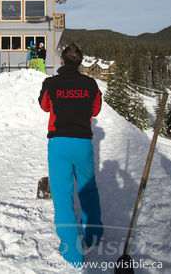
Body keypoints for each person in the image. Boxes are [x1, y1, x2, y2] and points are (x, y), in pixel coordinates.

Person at [38, 42, 103, 267]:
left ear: (63, 61)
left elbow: (44, 106)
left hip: (59, 143)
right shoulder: (91, 84)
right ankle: (94, 235)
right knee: (87, 188)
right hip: (83, 142)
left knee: (63, 194)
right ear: (80, 62)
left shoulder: (51, 83)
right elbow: (95, 110)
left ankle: (72, 252)